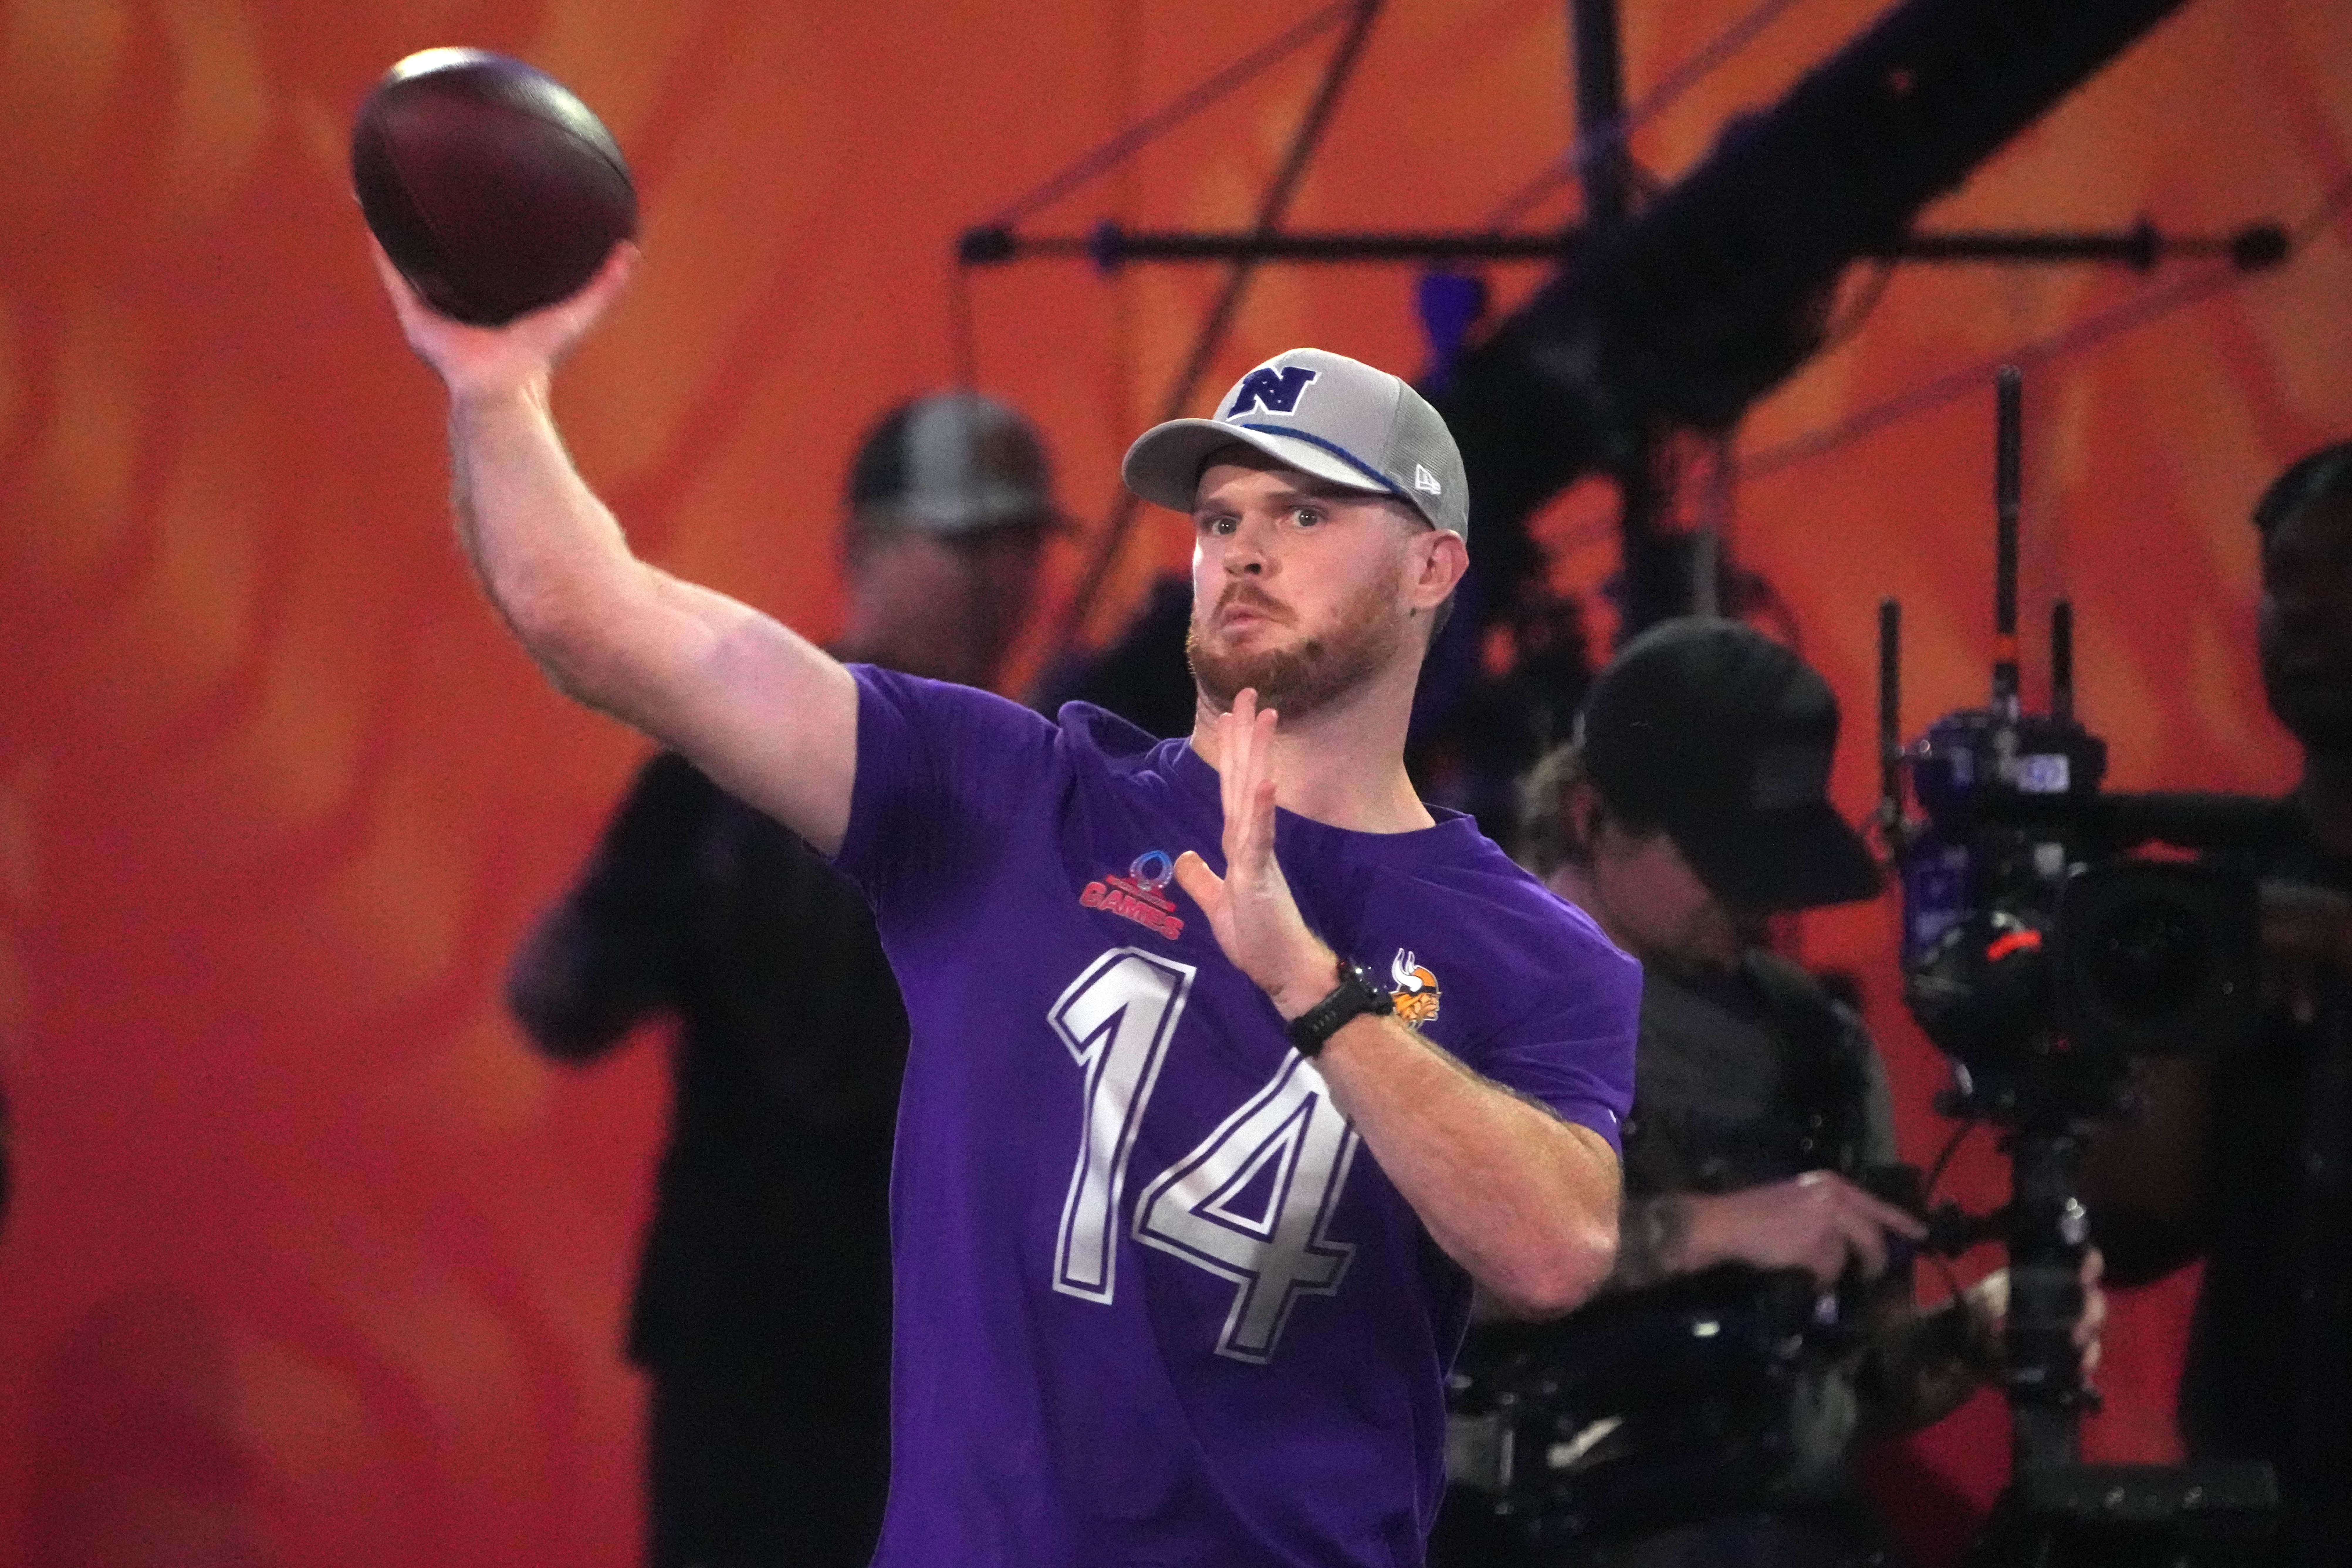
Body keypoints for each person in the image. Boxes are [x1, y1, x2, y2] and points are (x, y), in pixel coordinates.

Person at [373, 238, 1639, 1568]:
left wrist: (1318, 991)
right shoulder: (1011, 795)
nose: (1245, 551)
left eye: (1306, 514)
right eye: (1220, 516)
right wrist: (495, 388)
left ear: (1434, 569)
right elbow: (590, 610)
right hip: (799, 1393)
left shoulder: (1536, 950)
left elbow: (1554, 1250)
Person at [504, 390, 1059, 1568]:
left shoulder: (1050, 790)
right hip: (761, 1359)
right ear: (862, 549)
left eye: (1021, 544)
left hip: (962, 1362)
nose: (1000, 577)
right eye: (964, 540)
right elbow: (561, 1001)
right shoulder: (722, 767)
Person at [1481, 618, 2103, 1568]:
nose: (1758, 901)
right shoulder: (1447, 990)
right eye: (1721, 860)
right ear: (1590, 816)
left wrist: (1968, 1338)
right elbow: (1392, 1271)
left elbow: (1860, 1384)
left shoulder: (1819, 1043)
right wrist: (1714, 1227)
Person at [2086, 439, 2352, 1568]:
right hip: (2259, 1475)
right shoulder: (2230, 886)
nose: (2299, 611)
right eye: (2279, 578)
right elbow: (2132, 1226)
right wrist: (2172, 1017)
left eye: (2339, 572)